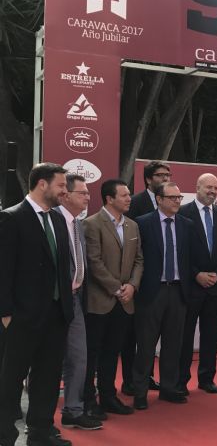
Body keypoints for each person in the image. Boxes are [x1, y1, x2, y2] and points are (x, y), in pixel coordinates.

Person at [0, 163, 74, 446]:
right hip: (21, 318)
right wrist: (6, 314)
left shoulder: (57, 219)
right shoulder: (12, 218)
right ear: (42, 184)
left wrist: (65, 308)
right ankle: (5, 435)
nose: (64, 191)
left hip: (56, 316)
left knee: (47, 378)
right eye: (61, 186)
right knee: (10, 381)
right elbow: (3, 271)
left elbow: (61, 268)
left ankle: (41, 433)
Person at [82, 179, 143, 420]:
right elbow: (93, 262)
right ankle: (88, 400)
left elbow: (139, 260)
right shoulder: (91, 224)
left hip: (125, 301)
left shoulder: (132, 226)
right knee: (92, 353)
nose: (129, 198)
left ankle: (108, 396)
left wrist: (132, 286)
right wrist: (117, 288)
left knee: (112, 352)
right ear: (109, 199)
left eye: (129, 194)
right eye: (125, 195)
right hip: (100, 301)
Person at [132, 182, 193, 410]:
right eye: (172, 197)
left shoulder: (187, 225)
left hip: (178, 291)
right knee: (146, 345)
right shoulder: (143, 223)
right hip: (152, 291)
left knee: (173, 344)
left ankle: (169, 388)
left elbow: (189, 259)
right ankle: (140, 391)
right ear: (159, 199)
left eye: (179, 198)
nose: (177, 201)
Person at [178, 174, 217, 395]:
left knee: (212, 335)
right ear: (197, 187)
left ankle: (206, 378)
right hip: (191, 287)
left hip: (216, 287)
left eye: (216, 188)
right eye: (208, 187)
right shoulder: (183, 213)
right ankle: (181, 380)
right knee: (185, 335)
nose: (212, 191)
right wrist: (197, 275)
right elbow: (180, 251)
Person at [55, 174, 102, 431]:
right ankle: (37, 415)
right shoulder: (54, 221)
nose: (88, 197)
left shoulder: (77, 224)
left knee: (78, 358)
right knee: (47, 359)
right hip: (52, 302)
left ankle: (73, 410)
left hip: (75, 300)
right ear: (67, 195)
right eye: (82, 193)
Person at [122, 161, 170, 394]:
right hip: (139, 279)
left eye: (168, 175)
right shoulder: (136, 202)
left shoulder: (172, 204)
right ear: (149, 179)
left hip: (165, 279)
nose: (165, 179)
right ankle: (130, 380)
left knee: (152, 336)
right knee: (134, 335)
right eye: (160, 175)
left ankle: (147, 377)